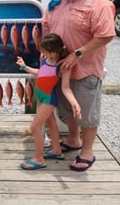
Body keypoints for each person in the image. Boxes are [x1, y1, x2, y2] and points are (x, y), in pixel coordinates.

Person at [42, 0, 115, 172]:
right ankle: (74, 140)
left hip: (86, 68)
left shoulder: (98, 3)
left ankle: (87, 151)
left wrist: (77, 54)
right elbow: (47, 27)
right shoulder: (57, 2)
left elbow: (106, 35)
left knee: (87, 111)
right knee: (66, 109)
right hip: (61, 68)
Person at [16, 33, 82, 170]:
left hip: (48, 99)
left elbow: (66, 88)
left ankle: (39, 158)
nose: (43, 53)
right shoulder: (45, 59)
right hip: (39, 95)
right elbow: (40, 73)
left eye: (45, 51)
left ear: (55, 51)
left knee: (35, 127)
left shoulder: (63, 66)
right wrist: (24, 66)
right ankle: (56, 150)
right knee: (50, 123)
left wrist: (74, 103)